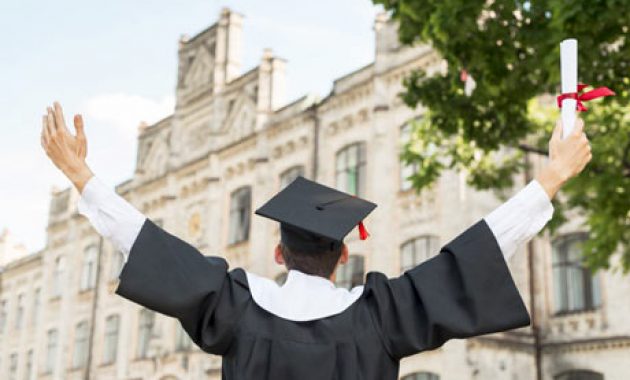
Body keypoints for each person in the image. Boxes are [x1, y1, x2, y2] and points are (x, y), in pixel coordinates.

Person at [40, 101, 591, 379]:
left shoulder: (234, 308)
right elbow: (474, 253)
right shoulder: (382, 317)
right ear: (343, 254)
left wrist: (83, 178)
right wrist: (551, 178)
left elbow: (146, 242)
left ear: (279, 254)